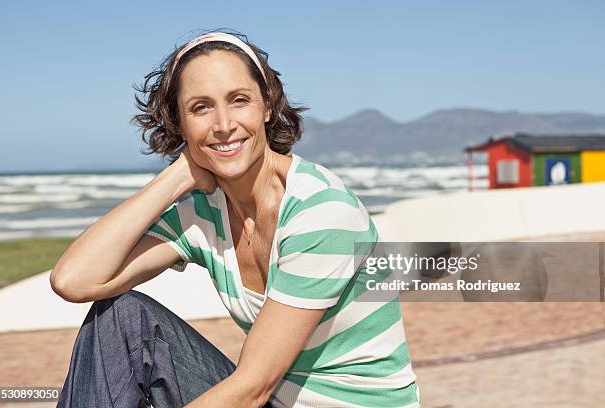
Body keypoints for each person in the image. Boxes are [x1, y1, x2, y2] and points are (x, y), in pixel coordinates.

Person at [50, 30, 420, 408]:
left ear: (267, 106)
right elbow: (74, 281)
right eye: (200, 108)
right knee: (123, 318)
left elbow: (252, 388)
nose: (223, 124)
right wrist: (176, 176)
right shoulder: (203, 212)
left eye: (239, 100)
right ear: (180, 123)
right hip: (276, 401)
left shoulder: (321, 210)